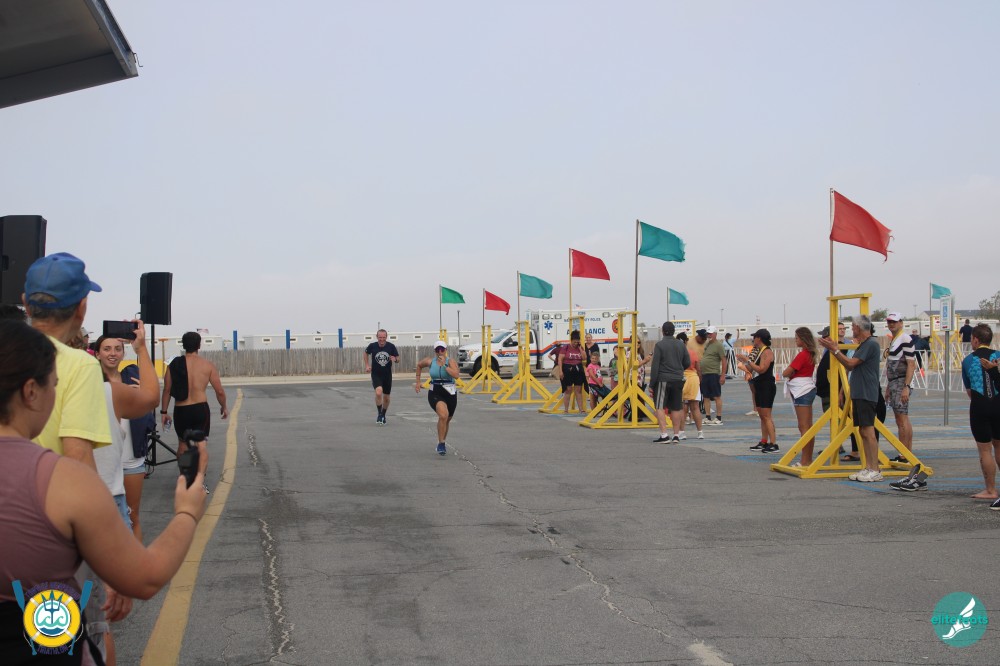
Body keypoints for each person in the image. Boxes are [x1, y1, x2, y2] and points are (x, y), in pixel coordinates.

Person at [0, 319, 208, 663]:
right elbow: (144, 578)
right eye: (54, 386)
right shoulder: (61, 480)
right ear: (30, 392)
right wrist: (187, 512)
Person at [95, 330, 159, 542]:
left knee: (132, 517)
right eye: (107, 349)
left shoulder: (132, 376)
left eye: (117, 349)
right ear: (97, 354)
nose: (112, 353)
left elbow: (151, 400)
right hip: (103, 462)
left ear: (124, 353)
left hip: (131, 460)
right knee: (102, 521)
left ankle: (136, 560)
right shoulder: (90, 382)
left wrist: (142, 392)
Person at [820, 315, 883, 482]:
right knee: (862, 431)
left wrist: (835, 350)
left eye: (853, 326)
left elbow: (850, 363)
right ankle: (868, 466)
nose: (851, 329)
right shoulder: (863, 344)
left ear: (859, 327)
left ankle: (875, 469)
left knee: (868, 431)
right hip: (859, 392)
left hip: (866, 392)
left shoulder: (871, 344)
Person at [161, 331, 228, 484]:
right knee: (201, 445)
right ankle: (199, 480)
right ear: (199, 345)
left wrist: (164, 412)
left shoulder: (173, 365)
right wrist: (223, 406)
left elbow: (167, 390)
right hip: (200, 410)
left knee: (183, 445)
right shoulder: (207, 365)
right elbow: (219, 391)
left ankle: (185, 478)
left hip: (181, 410)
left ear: (183, 345)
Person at [960, 324, 1000, 505]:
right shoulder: (998, 355)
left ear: (975, 339)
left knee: (985, 450)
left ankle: (991, 490)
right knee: (999, 446)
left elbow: (969, 391)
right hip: (998, 404)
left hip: (980, 406)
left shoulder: (968, 360)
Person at [414, 341, 459, 455]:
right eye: (437, 350)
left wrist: (444, 365)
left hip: (450, 392)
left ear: (445, 350)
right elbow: (419, 365)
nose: (440, 352)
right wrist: (418, 382)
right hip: (436, 392)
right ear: (435, 351)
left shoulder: (450, 361)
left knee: (447, 419)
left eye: (442, 349)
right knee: (443, 415)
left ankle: (441, 440)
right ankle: (441, 444)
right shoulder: (430, 361)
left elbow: (456, 375)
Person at [782, 327, 819, 466]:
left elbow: (786, 372)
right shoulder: (810, 354)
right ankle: (807, 459)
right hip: (807, 388)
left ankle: (805, 460)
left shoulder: (803, 355)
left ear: (803, 339)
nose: (795, 340)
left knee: (804, 427)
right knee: (808, 426)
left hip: (801, 390)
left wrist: (790, 372)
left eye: (797, 338)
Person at [883, 312, 916, 462]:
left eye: (894, 322)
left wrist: (906, 387)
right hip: (895, 382)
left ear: (901, 323)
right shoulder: (895, 339)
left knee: (902, 419)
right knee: (901, 418)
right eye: (889, 322)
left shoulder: (905, 338)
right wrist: (889, 386)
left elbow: (911, 364)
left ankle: (904, 454)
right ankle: (906, 453)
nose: (891, 324)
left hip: (901, 382)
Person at [650, 321, 689, 444]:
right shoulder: (681, 345)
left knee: (660, 406)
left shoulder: (659, 345)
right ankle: (676, 435)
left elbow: (655, 366)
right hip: (678, 379)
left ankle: (664, 434)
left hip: (663, 379)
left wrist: (652, 384)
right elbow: (687, 362)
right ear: (674, 331)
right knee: (676, 407)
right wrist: (679, 369)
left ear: (662, 331)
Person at [739, 330, 777, 452]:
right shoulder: (759, 351)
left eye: (754, 337)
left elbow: (762, 369)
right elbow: (751, 368)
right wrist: (744, 364)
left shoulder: (767, 352)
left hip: (767, 385)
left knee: (767, 416)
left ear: (759, 338)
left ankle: (773, 443)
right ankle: (764, 441)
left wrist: (747, 360)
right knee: (762, 416)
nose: (753, 340)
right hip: (759, 384)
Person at [364, 329, 400, 425]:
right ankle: (379, 414)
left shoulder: (391, 346)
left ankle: (383, 414)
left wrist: (395, 359)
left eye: (384, 337)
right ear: (377, 337)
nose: (382, 339)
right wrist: (367, 365)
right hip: (376, 374)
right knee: (378, 392)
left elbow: (398, 358)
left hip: (387, 375)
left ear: (386, 337)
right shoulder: (372, 346)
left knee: (386, 397)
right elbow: (366, 353)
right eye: (380, 337)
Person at [677, 333, 703, 440]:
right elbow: (698, 368)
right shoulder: (692, 353)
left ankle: (682, 432)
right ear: (686, 341)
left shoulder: (677, 353)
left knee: (683, 407)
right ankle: (700, 432)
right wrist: (700, 380)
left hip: (682, 378)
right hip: (693, 378)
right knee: (695, 407)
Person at [700, 326, 727, 426]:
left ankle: (719, 417)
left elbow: (724, 360)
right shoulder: (707, 344)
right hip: (705, 373)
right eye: (708, 334)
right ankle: (708, 417)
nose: (709, 335)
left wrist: (723, 375)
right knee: (706, 396)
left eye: (711, 333)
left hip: (713, 373)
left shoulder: (719, 345)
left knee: (716, 396)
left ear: (715, 334)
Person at [559, 331, 587, 413]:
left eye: (577, 342)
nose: (575, 344)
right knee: (568, 389)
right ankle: (566, 409)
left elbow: (584, 358)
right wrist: (560, 371)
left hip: (578, 369)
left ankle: (581, 409)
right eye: (574, 342)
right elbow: (560, 359)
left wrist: (580, 348)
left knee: (578, 389)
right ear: (571, 340)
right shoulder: (566, 347)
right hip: (567, 369)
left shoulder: (580, 347)